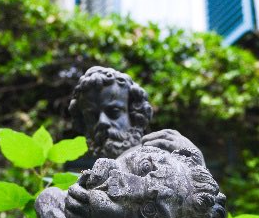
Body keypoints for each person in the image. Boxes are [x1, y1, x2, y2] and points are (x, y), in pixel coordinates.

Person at [68, 65, 204, 165]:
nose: (102, 122)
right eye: (92, 116)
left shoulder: (160, 155)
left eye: (114, 112)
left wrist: (195, 161)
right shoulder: (86, 180)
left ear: (134, 115)